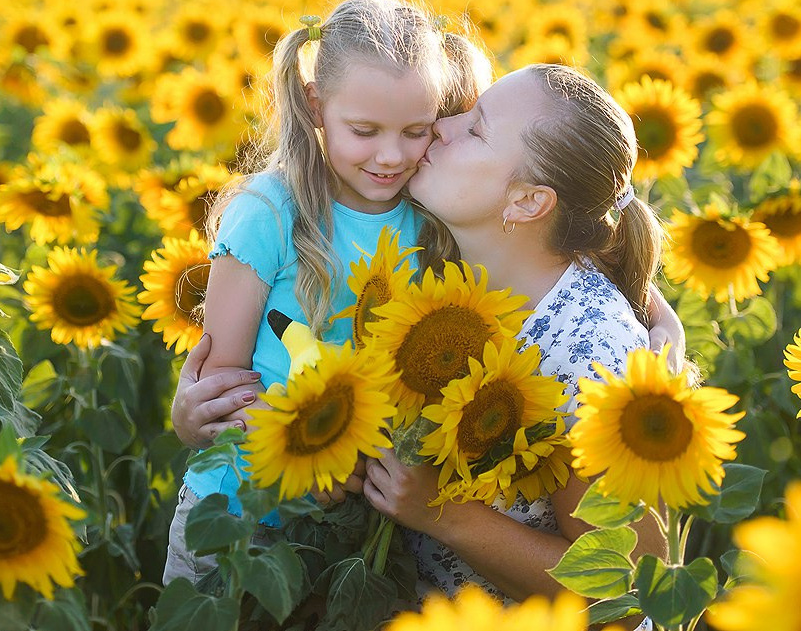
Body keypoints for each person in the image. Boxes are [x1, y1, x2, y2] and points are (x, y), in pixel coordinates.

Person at [172, 63, 683, 626]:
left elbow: (621, 591)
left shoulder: (594, 360)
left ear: (528, 203)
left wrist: (447, 515)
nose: (443, 126)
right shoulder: (457, 262)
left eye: (477, 128)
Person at [162, 0, 493, 586]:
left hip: (361, 523)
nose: (391, 156)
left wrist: (659, 317)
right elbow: (222, 384)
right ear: (316, 105)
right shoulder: (269, 212)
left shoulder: (431, 216)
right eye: (363, 130)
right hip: (241, 511)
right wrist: (316, 453)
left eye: (416, 130)